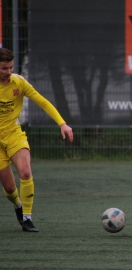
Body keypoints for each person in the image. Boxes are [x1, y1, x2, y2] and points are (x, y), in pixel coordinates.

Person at [0, 48, 73, 232]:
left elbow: (42, 102)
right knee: (9, 188)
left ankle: (27, 218)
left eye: (10, 67)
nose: (8, 72)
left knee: (25, 171)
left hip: (13, 133)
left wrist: (62, 123)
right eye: (3, 68)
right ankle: (17, 205)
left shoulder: (19, 83)